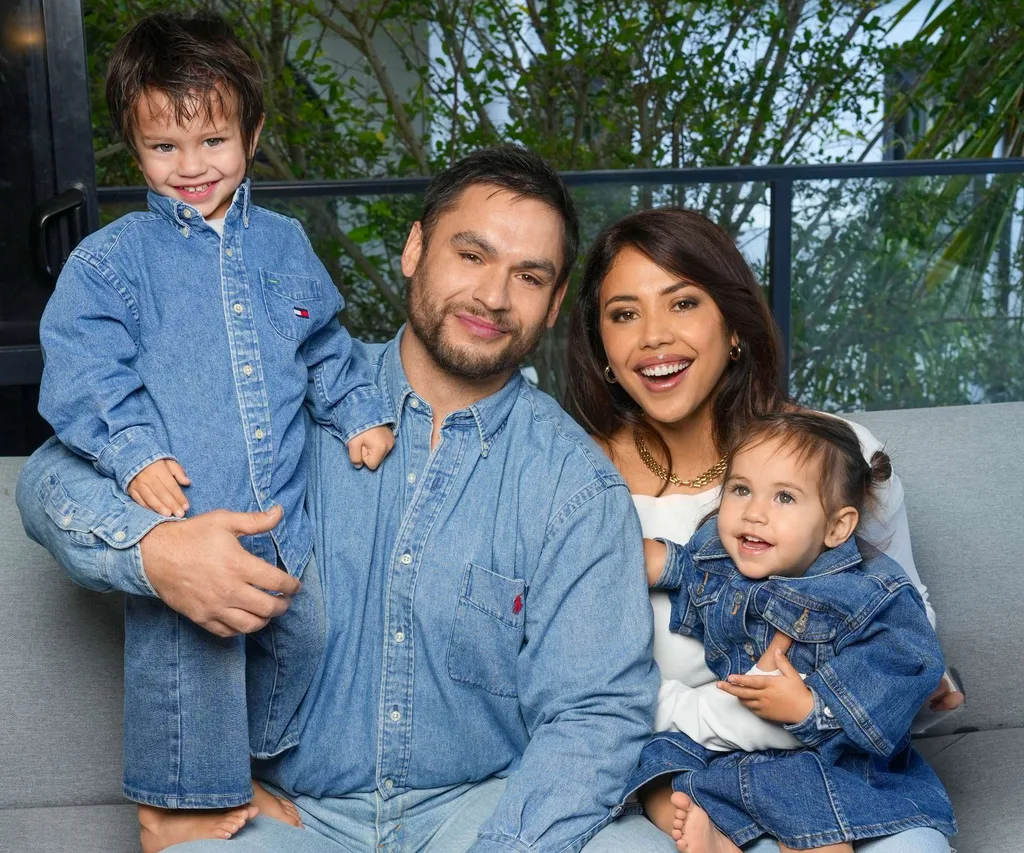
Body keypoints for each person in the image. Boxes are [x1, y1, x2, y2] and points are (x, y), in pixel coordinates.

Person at [18, 145, 667, 853]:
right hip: (295, 815)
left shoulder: (575, 483)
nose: (493, 296)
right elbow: (48, 479)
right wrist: (155, 549)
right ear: (415, 249)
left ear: (553, 304)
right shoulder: (281, 393)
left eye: (529, 275)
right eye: (472, 255)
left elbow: (595, 712)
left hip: (481, 813)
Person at [35, 12, 395, 850]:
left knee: (303, 632)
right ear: (135, 148)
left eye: (213, 141)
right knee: (190, 651)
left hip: (283, 516)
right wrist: (134, 455)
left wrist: (356, 412)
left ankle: (249, 773)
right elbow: (85, 367)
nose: (192, 168)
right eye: (165, 148)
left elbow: (322, 342)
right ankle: (182, 806)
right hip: (189, 511)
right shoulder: (111, 262)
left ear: (252, 133)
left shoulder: (285, 243)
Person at [564, 207, 963, 853]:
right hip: (681, 762)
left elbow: (902, 618)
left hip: (833, 742)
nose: (653, 337)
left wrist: (914, 680)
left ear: (734, 326)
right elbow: (583, 687)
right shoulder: (575, 481)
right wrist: (733, 716)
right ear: (601, 347)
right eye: (623, 312)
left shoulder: (839, 455)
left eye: (683, 301)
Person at [633, 411, 956, 852]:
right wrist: (665, 563)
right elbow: (698, 571)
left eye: (784, 498)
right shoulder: (719, 554)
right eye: (741, 489)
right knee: (657, 765)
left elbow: (905, 658)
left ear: (836, 527)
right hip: (738, 755)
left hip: (832, 757)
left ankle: (819, 843)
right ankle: (718, 839)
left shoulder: (867, 592)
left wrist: (812, 705)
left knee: (811, 799)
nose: (754, 512)